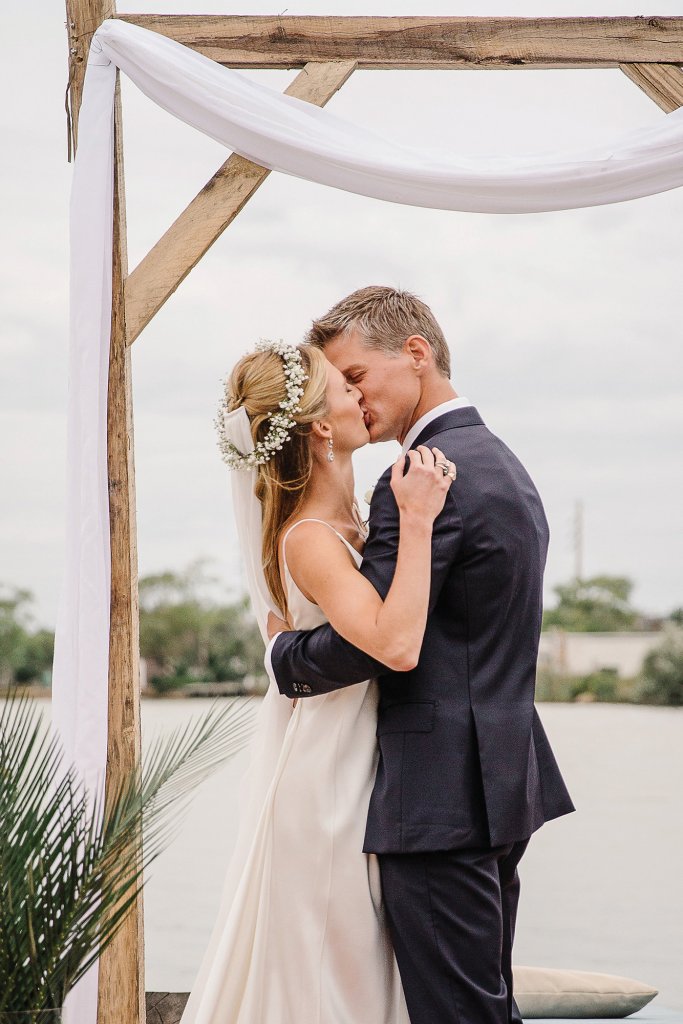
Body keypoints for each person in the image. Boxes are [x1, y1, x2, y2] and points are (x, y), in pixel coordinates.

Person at [266, 286, 576, 1024]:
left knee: (455, 1012)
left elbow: (375, 641)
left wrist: (285, 653)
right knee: (481, 1001)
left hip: (439, 795)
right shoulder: (498, 461)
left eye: (354, 376)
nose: (350, 396)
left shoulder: (422, 479)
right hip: (497, 777)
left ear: (414, 353)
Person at [179, 336, 456, 1024]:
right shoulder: (308, 537)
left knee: (351, 967)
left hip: (357, 760)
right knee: (335, 972)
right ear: (321, 427)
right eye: (344, 387)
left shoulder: (346, 520)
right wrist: (418, 523)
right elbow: (393, 644)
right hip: (327, 775)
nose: (361, 395)